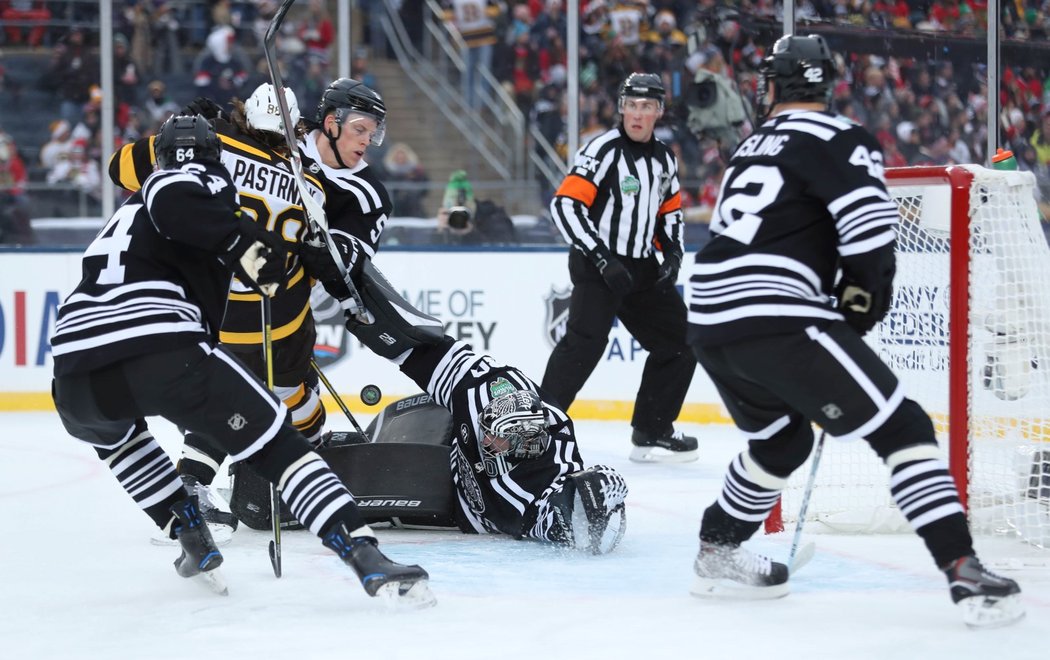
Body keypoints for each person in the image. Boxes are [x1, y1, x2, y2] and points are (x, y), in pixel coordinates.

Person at [685, 34, 1022, 628]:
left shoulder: (751, 146)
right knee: (905, 426)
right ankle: (963, 569)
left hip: (709, 315)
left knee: (781, 441)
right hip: (774, 311)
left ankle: (718, 549)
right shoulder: (841, 137)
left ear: (779, 85)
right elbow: (869, 236)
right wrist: (859, 309)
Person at [50, 114, 434, 606]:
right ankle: (364, 554)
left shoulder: (127, 209)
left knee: (124, 445)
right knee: (277, 444)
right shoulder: (190, 176)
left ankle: (190, 535)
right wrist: (251, 251)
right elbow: (178, 199)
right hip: (159, 345)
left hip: (73, 376)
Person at [339, 264, 628, 553]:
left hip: (458, 507)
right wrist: (369, 315)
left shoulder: (539, 491)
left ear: (523, 445)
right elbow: (424, 350)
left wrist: (596, 493)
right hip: (454, 446)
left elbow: (570, 522)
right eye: (488, 431)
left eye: (497, 438)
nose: (486, 439)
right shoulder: (482, 388)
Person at [542, 72, 698, 464]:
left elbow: (669, 211)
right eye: (631, 105)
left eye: (646, 106)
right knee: (584, 344)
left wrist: (674, 254)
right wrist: (600, 257)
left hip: (640, 266)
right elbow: (565, 205)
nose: (637, 114)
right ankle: (540, 430)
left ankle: (652, 430)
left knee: (681, 343)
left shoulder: (664, 159)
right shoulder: (604, 150)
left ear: (659, 112)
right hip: (599, 264)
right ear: (622, 108)